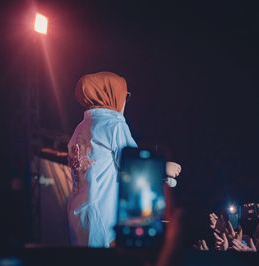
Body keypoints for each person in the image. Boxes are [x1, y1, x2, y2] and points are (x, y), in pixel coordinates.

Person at [67, 71, 181, 247]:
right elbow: (134, 165)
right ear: (112, 95)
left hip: (80, 214)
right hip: (103, 215)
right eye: (124, 96)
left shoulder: (79, 130)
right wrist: (164, 168)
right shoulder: (113, 124)